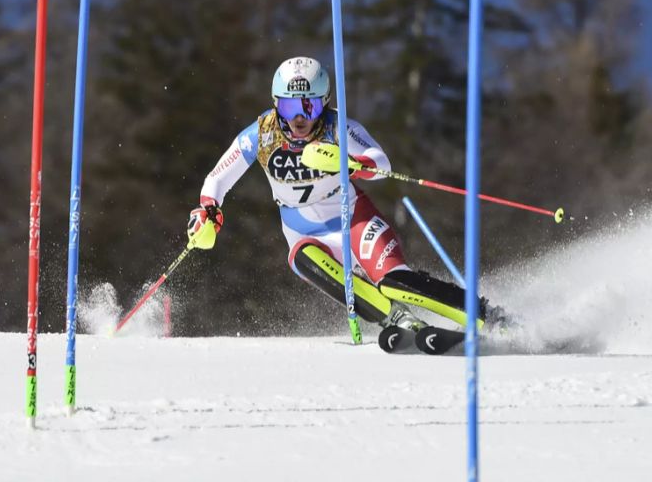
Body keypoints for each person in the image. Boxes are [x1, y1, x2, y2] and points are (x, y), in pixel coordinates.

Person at [188, 56, 500, 339]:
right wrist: (208, 210)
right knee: (302, 259)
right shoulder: (261, 134)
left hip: (355, 219)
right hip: (304, 232)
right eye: (289, 107)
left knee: (394, 283)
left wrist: (354, 165)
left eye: (308, 106)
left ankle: (486, 316)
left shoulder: (339, 127)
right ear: (276, 104)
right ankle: (398, 319)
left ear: (323, 103)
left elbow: (381, 164)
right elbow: (217, 178)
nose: (299, 118)